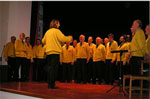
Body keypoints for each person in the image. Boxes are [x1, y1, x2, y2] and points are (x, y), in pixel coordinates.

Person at [42, 19, 72, 89]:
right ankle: (51, 85)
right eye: (58, 23)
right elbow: (63, 38)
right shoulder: (57, 31)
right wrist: (70, 37)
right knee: (54, 69)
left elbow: (43, 41)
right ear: (55, 24)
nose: (59, 25)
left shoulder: (47, 31)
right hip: (55, 53)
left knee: (50, 69)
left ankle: (50, 84)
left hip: (48, 53)